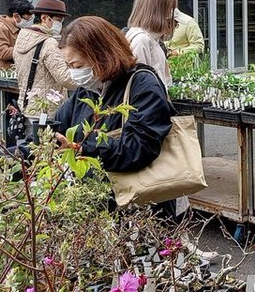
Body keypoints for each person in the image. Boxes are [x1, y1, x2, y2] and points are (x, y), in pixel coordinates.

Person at [52, 16, 183, 221]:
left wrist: (84, 147)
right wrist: (11, 160)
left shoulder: (142, 85)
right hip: (99, 208)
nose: (74, 74)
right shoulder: (87, 92)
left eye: (77, 66)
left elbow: (138, 148)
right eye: (69, 66)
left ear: (101, 55)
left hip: (140, 210)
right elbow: (54, 131)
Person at [13, 0, 75, 118]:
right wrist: (89, 77)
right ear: (44, 18)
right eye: (59, 20)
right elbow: (65, 79)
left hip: (27, 105)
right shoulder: (49, 43)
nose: (60, 25)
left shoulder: (22, 38)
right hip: (47, 109)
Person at [126, 0, 177, 88]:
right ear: (157, 10)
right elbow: (140, 83)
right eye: (169, 9)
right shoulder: (141, 40)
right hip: (150, 102)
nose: (170, 14)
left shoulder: (151, 39)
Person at [0, 0, 34, 69]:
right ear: (16, 16)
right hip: (8, 72)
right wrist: (25, 49)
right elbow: (0, 53)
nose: (26, 22)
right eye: (25, 19)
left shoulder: (16, 26)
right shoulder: (0, 28)